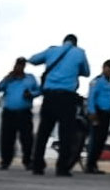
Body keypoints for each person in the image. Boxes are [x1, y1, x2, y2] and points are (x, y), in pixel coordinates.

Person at [28, 33, 91, 176]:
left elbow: (33, 59)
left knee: (43, 132)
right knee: (66, 133)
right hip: (67, 98)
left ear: (63, 42)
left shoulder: (52, 51)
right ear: (75, 43)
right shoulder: (79, 53)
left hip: (49, 96)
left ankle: (37, 165)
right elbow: (86, 72)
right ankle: (62, 167)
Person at [0, 57, 39, 170]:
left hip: (24, 112)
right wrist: (8, 78)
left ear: (24, 66)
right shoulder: (9, 79)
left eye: (21, 65)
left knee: (27, 138)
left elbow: (39, 90)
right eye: (18, 64)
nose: (19, 67)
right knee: (7, 138)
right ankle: (5, 161)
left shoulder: (30, 78)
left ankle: (28, 161)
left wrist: (31, 94)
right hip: (9, 112)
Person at [83, 59, 110, 174]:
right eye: (109, 67)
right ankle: (90, 165)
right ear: (103, 68)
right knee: (95, 140)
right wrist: (92, 112)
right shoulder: (97, 81)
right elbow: (91, 97)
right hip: (97, 113)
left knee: (101, 141)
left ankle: (94, 164)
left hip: (106, 115)